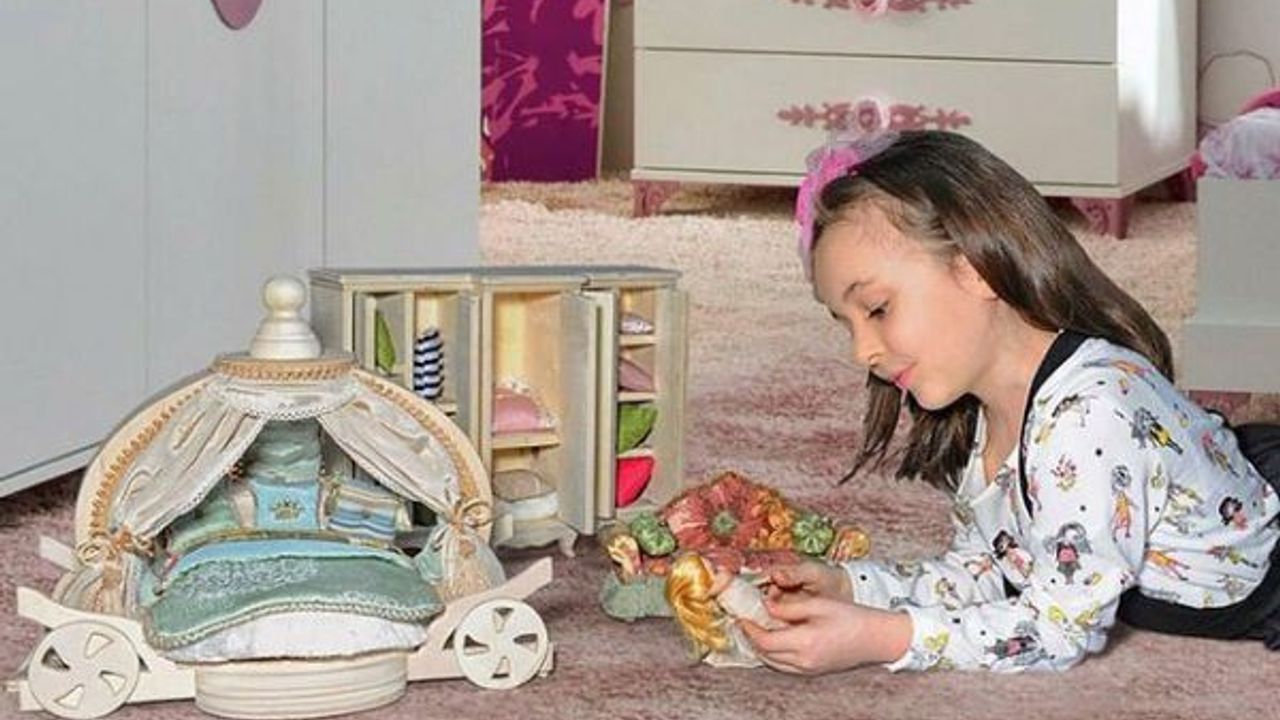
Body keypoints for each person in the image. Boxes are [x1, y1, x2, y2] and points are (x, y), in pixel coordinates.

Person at [739, 130, 1280, 673]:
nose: (862, 351)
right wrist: (854, 589)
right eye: (847, 324)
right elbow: (988, 573)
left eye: (877, 309)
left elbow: (1058, 629)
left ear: (975, 269)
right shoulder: (989, 413)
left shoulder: (1087, 420)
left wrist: (883, 639)